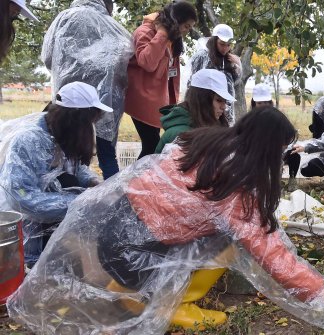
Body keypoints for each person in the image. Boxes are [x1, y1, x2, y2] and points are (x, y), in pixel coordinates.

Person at [7, 108, 324, 334]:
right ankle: (158, 301)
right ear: (266, 148)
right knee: (232, 243)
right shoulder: (237, 190)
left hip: (114, 232)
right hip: (133, 256)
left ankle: (133, 291)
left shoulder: (205, 142)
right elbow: (277, 260)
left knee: (220, 233)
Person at [0, 82, 109, 269]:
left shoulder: (64, 134)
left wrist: (92, 181)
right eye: (88, 122)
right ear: (74, 120)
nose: (91, 127)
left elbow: (75, 167)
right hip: (30, 231)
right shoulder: (29, 141)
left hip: (55, 221)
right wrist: (79, 202)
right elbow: (23, 198)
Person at [41, 0, 134, 180]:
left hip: (69, 100)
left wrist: (68, 69)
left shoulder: (64, 18)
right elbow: (128, 55)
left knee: (67, 151)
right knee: (107, 155)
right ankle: (113, 199)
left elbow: (47, 56)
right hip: (105, 101)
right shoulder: (112, 26)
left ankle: (67, 192)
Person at [124, 1, 197, 159]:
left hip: (157, 102)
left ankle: (139, 180)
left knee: (151, 147)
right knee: (152, 147)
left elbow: (171, 74)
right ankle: (136, 181)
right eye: (186, 26)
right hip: (142, 100)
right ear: (176, 21)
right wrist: (162, 33)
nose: (186, 31)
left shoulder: (172, 38)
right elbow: (147, 63)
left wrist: (171, 101)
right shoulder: (146, 32)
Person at [155, 69, 236, 153]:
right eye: (219, 100)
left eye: (225, 101)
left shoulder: (212, 126)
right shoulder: (178, 134)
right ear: (202, 100)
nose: (223, 106)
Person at [189, 24, 241, 126]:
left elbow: (234, 84)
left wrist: (238, 65)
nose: (225, 48)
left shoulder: (230, 59)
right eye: (222, 44)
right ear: (214, 41)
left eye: (228, 45)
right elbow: (193, 83)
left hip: (225, 113)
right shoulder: (202, 56)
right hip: (206, 111)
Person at [290, 96, 324, 183]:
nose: (319, 113)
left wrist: (305, 147)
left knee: (309, 167)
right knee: (306, 167)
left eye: (320, 111)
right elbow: (320, 141)